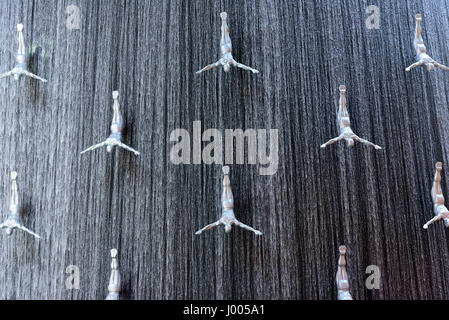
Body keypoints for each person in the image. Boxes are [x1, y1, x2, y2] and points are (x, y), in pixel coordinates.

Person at [195, 166, 262, 235]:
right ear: (230, 227)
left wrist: (201, 230)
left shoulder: (222, 220)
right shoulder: (234, 221)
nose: (228, 227)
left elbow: (210, 226)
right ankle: (226, 174)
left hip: (224, 203)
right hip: (230, 203)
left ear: (225, 227)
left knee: (225, 187)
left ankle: (225, 174)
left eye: (227, 228)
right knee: (228, 187)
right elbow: (244, 226)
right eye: (229, 228)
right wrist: (254, 231)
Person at [321, 85, 382, 149]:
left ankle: (341, 94)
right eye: (353, 142)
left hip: (342, 121)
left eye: (351, 143)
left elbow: (333, 140)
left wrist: (325, 144)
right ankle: (343, 93)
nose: (352, 142)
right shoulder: (354, 136)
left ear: (348, 142)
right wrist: (374, 145)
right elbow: (364, 141)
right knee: (344, 106)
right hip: (347, 121)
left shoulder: (343, 136)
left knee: (341, 106)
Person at [80, 91, 140, 155]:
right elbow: (95, 146)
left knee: (117, 112)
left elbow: (125, 146)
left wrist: (134, 151)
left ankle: (115, 99)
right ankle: (115, 99)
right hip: (113, 127)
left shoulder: (115, 142)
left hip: (117, 128)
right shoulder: (107, 141)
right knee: (116, 112)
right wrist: (84, 151)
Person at [0, 171, 40, 238]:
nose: (8, 229)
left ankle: (14, 180)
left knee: (15, 194)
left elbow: (26, 229)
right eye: (9, 230)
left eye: (8, 230)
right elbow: (26, 229)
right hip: (14, 209)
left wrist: (35, 235)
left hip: (15, 209)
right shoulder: (11, 224)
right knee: (14, 193)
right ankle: (14, 180)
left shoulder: (12, 224)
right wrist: (35, 235)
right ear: (10, 230)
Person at [423, 162, 449, 229]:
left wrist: (427, 224)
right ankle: (438, 170)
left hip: (441, 200)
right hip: (436, 200)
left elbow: (434, 219)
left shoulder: (447, 213)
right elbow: (434, 219)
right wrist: (427, 224)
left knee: (437, 183)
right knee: (436, 182)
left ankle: (438, 171)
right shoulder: (441, 215)